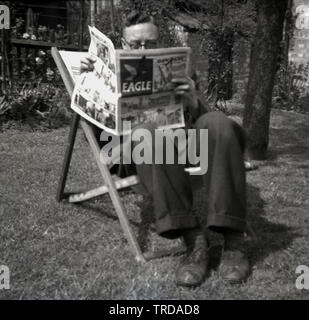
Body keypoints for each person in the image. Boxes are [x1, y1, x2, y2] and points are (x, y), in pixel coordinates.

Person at [80, 11, 249, 287]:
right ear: (123, 43)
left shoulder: (179, 69)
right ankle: (194, 240)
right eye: (136, 45)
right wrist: (87, 80)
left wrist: (193, 100)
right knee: (150, 134)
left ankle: (233, 241)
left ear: (160, 43)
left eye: (150, 44)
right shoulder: (103, 69)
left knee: (219, 122)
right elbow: (96, 131)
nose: (143, 50)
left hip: (183, 144)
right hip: (135, 150)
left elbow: (203, 117)